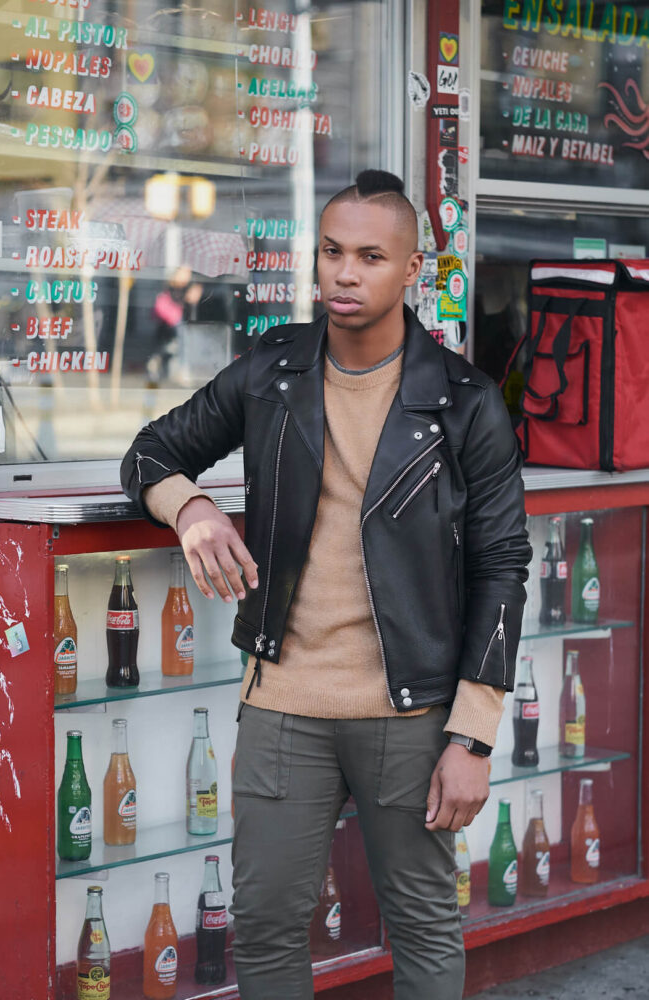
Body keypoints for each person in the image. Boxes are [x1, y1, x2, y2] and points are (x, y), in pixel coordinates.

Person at [121, 170, 531, 1000]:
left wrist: (472, 736)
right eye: (331, 253)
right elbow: (148, 454)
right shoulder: (271, 373)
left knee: (420, 923)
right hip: (282, 705)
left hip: (409, 714)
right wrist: (192, 507)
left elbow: (501, 567)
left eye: (370, 257)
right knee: (267, 926)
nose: (344, 274)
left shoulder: (463, 403)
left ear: (411, 269)